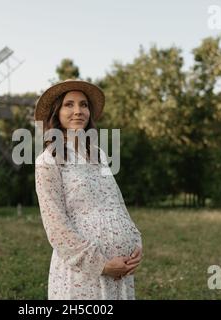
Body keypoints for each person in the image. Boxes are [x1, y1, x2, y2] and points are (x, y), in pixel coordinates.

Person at [34, 79, 143, 300]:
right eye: (69, 104)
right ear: (57, 112)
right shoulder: (48, 161)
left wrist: (135, 241)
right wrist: (100, 265)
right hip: (84, 274)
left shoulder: (99, 155)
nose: (78, 111)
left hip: (120, 273)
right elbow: (55, 225)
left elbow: (116, 202)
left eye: (83, 105)